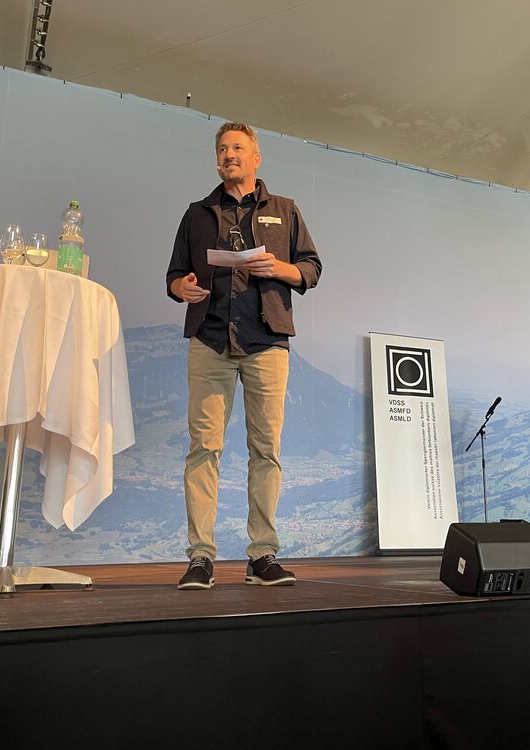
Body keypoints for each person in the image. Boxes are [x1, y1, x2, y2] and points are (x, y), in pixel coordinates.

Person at [166, 121, 322, 589]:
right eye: (222, 148)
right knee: (203, 450)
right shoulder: (197, 213)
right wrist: (183, 287)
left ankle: (262, 556)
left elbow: (312, 268)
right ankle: (200, 558)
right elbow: (174, 277)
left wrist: (278, 267)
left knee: (265, 450)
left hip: (266, 342)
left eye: (237, 147)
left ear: (256, 158)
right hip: (210, 339)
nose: (228, 154)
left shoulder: (286, 210)